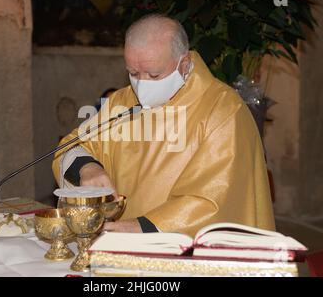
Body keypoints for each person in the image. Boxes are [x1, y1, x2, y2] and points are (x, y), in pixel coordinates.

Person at [53, 14, 275, 237]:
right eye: (133, 73)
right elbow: (71, 146)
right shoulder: (122, 102)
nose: (142, 84)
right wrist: (87, 167)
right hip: (120, 241)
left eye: (154, 74)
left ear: (184, 64)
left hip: (188, 256)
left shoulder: (224, 109)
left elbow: (216, 198)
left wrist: (144, 226)